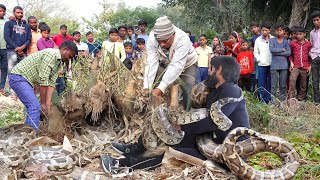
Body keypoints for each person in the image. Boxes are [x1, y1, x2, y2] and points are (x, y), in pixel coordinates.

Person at [101, 56, 250, 173]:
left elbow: (215, 121)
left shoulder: (232, 91)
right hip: (211, 141)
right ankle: (132, 151)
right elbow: (201, 114)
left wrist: (183, 126)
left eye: (211, 69)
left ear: (219, 70)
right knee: (163, 127)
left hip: (229, 153)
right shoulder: (215, 92)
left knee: (173, 152)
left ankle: (122, 165)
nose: (208, 73)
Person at [9, 41, 77, 130]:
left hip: (26, 81)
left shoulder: (59, 63)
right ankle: (30, 135)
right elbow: (43, 81)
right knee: (34, 106)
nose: (69, 59)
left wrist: (47, 106)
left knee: (35, 106)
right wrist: (43, 103)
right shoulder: (51, 54)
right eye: (69, 56)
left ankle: (29, 130)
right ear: (64, 49)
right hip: (18, 77)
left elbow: (51, 84)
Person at [143, 16, 198, 111]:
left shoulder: (183, 38)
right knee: (156, 84)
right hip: (166, 63)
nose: (162, 44)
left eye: (165, 41)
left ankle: (187, 113)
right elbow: (151, 62)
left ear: (173, 34)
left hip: (188, 64)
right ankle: (157, 112)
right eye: (159, 41)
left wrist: (160, 89)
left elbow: (177, 65)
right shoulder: (152, 38)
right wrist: (147, 86)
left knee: (188, 88)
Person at [4, 6, 31, 99]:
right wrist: (17, 48)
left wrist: (22, 48)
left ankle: (23, 94)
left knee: (24, 73)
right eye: (18, 12)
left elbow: (29, 38)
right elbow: (7, 37)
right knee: (12, 72)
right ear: (14, 13)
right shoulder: (8, 24)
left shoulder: (26, 26)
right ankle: (13, 93)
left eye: (21, 13)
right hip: (12, 51)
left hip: (23, 53)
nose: (20, 14)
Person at [288, 27, 311, 101]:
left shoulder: (308, 44)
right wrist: (291, 63)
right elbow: (290, 55)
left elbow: (311, 55)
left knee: (303, 84)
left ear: (304, 34)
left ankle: (301, 99)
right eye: (297, 34)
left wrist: (310, 66)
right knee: (292, 80)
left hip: (305, 67)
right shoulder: (293, 44)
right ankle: (291, 98)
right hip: (295, 66)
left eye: (300, 34)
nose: (298, 36)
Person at [269, 24, 291, 102]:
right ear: (275, 31)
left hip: (284, 66)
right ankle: (273, 101)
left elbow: (289, 53)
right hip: (274, 65)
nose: (279, 32)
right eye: (277, 30)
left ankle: (282, 101)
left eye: (280, 30)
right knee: (273, 85)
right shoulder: (272, 40)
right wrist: (282, 49)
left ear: (283, 31)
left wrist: (277, 52)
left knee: (283, 85)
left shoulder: (286, 41)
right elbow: (272, 50)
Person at [254, 22, 273, 103]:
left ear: (269, 30)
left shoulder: (273, 39)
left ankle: (268, 99)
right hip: (262, 64)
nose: (264, 32)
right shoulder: (258, 40)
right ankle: (262, 99)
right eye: (262, 30)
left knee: (270, 82)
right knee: (261, 82)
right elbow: (256, 52)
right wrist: (259, 59)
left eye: (266, 30)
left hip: (271, 64)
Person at [310, 10, 320, 103]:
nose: (315, 22)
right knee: (315, 80)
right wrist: (312, 55)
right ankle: (317, 101)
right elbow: (311, 44)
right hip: (315, 57)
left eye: (317, 19)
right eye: (314, 20)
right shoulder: (312, 32)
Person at [250, 21, 261, 93]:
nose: (253, 29)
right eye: (252, 28)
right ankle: (255, 92)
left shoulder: (262, 36)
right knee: (255, 75)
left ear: (258, 28)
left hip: (263, 58)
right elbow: (252, 47)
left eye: (255, 27)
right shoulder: (253, 38)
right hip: (256, 58)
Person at [0, 4, 7, 94]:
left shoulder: (8, 21)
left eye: (3, 11)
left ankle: (1, 87)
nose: (2, 13)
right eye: (0, 11)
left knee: (4, 68)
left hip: (5, 48)